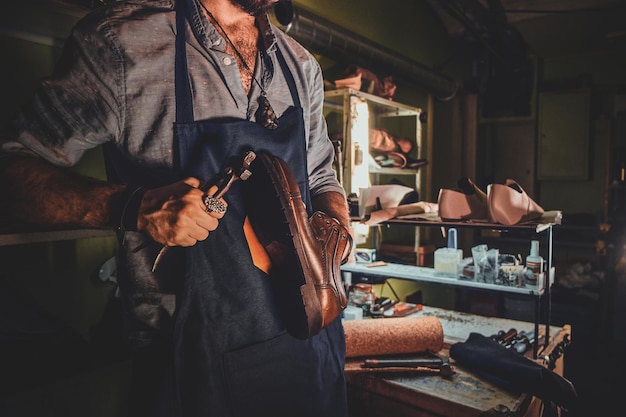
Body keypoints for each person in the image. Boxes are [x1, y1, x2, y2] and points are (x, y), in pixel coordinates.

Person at [0, 0, 352, 416]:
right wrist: (133, 206)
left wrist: (330, 244)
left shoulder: (300, 66)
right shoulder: (122, 44)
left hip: (307, 353)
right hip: (190, 366)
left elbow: (322, 177)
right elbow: (12, 173)